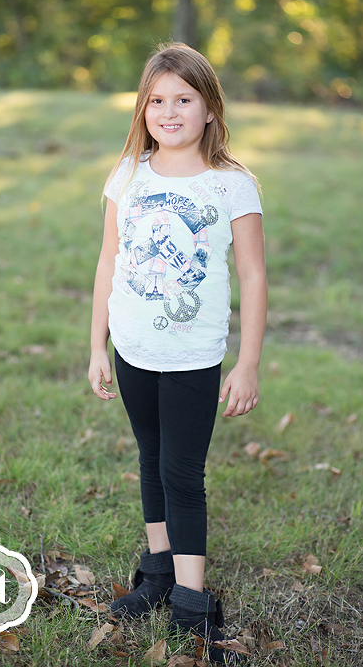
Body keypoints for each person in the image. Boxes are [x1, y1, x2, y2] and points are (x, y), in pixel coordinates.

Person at [88, 42, 267, 665]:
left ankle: (192, 601)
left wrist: (247, 362)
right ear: (142, 109)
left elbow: (253, 276)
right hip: (133, 347)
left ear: (210, 108)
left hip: (193, 354)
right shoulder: (129, 173)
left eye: (184, 99)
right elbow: (108, 260)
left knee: (183, 474)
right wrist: (97, 345)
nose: (169, 112)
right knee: (151, 458)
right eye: (157, 100)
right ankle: (159, 572)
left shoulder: (232, 185)